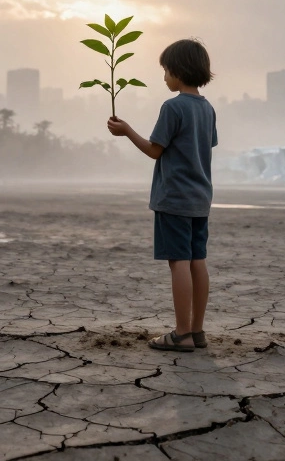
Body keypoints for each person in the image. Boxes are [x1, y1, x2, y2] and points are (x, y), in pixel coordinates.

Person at [107, 39, 217, 352]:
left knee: (178, 262)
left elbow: (156, 150)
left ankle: (180, 334)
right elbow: (203, 147)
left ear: (179, 71)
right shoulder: (207, 108)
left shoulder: (173, 106)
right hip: (200, 197)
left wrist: (127, 131)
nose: (164, 77)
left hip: (174, 198)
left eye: (166, 71)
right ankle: (197, 332)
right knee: (198, 261)